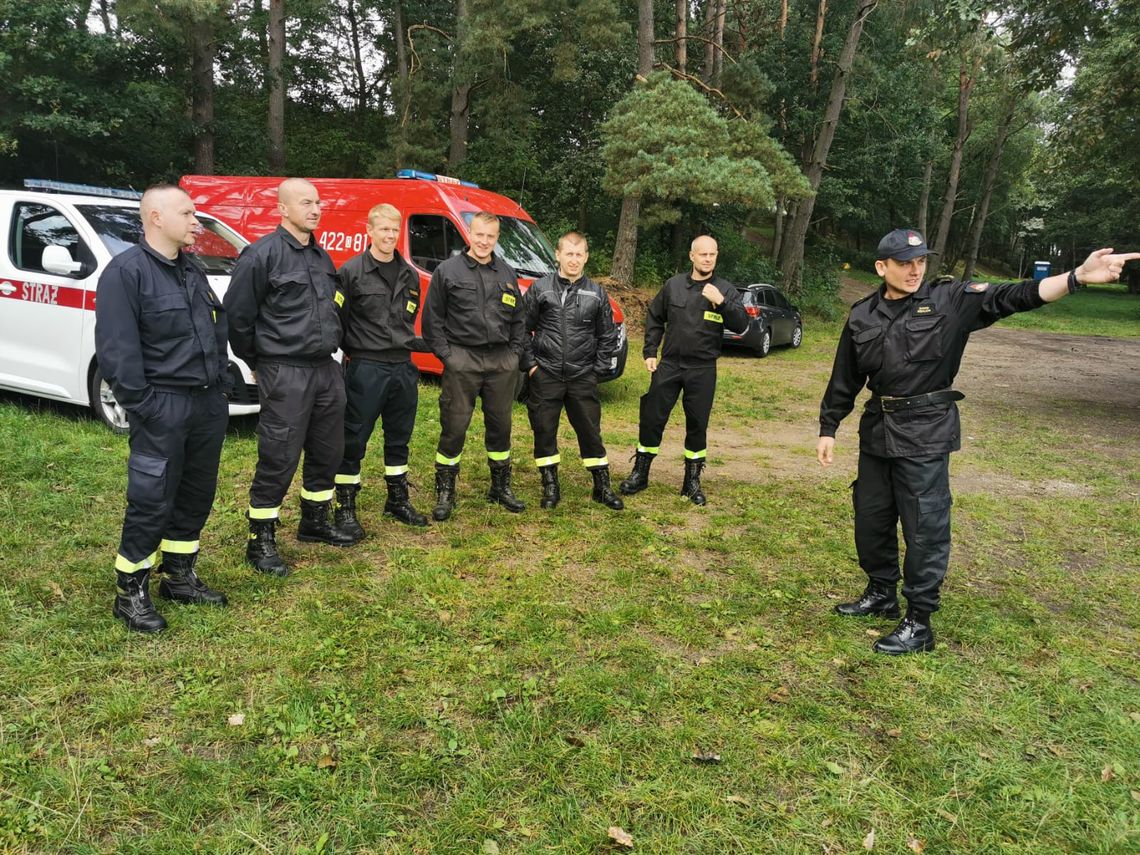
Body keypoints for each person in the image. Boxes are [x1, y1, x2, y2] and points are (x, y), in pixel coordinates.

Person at [817, 228, 1140, 655]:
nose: (915, 270)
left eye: (921, 261)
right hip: (878, 429)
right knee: (871, 517)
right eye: (905, 263)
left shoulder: (950, 300)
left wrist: (1076, 276)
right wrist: (829, 426)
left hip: (926, 432)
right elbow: (845, 375)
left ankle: (919, 621)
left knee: (925, 526)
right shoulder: (863, 314)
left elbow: (1016, 295)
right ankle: (881, 592)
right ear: (882, 267)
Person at [95, 185, 229, 632]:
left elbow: (215, 330)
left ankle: (179, 576)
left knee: (196, 493)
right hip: (163, 405)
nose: (195, 221)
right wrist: (147, 407)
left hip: (206, 404)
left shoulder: (192, 270)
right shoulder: (126, 273)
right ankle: (130, 592)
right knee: (151, 498)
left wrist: (222, 387)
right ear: (156, 217)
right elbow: (117, 352)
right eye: (187, 213)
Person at [223, 177, 356, 578]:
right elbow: (237, 317)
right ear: (282, 208)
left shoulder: (321, 256)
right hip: (285, 370)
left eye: (317, 203)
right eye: (305, 203)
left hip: (325, 368)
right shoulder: (261, 255)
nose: (315, 210)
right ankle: (260, 537)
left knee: (328, 450)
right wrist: (258, 361)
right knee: (279, 455)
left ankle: (314, 520)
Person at [620, 234, 748, 505]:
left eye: (712, 254)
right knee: (652, 419)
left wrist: (722, 302)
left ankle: (691, 482)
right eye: (703, 254)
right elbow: (655, 317)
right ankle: (640, 474)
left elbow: (741, 325)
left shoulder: (725, 289)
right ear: (692, 256)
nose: (708, 259)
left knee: (697, 425)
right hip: (669, 365)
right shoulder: (673, 285)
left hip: (702, 369)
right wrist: (650, 351)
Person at [421, 210, 526, 520]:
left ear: (497, 238)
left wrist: (514, 354)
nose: (484, 241)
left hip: (501, 362)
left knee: (501, 426)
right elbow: (432, 320)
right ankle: (445, 491)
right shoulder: (448, 271)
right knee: (454, 426)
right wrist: (448, 356)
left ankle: (500, 487)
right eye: (479, 234)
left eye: (490, 236)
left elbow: (519, 319)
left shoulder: (506, 273)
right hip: (462, 358)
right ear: (469, 234)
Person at [333, 203, 429, 533]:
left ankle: (397, 500)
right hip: (366, 368)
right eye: (384, 229)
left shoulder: (409, 274)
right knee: (353, 438)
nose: (389, 235)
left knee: (399, 437)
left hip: (402, 367)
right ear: (370, 231)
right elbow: (338, 321)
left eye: (394, 229)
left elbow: (408, 319)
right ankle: (345, 505)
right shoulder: (351, 272)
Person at [520, 231, 623, 511]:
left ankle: (602, 486)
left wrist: (597, 370)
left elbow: (608, 335)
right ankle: (550, 486)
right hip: (546, 374)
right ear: (558, 255)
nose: (574, 260)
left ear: (586, 257)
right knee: (544, 430)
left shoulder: (597, 293)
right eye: (569, 254)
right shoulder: (540, 288)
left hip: (582, 376)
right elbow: (520, 329)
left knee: (590, 431)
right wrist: (531, 366)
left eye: (579, 254)